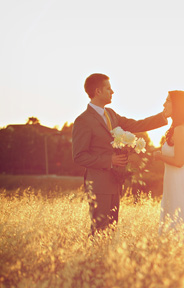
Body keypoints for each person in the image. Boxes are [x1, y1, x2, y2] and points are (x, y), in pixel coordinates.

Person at [72, 73, 169, 235]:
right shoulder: (83, 120)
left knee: (111, 229)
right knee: (99, 229)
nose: (112, 92)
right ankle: (94, 259)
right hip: (98, 184)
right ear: (98, 91)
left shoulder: (111, 114)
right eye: (108, 89)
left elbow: (136, 124)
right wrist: (109, 160)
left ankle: (108, 259)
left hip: (115, 181)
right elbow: (79, 156)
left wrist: (163, 117)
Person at [154, 90, 184, 234]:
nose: (164, 104)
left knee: (177, 234)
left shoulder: (180, 129)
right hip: (175, 187)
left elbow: (180, 162)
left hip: (179, 190)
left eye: (168, 100)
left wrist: (159, 156)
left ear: (178, 105)